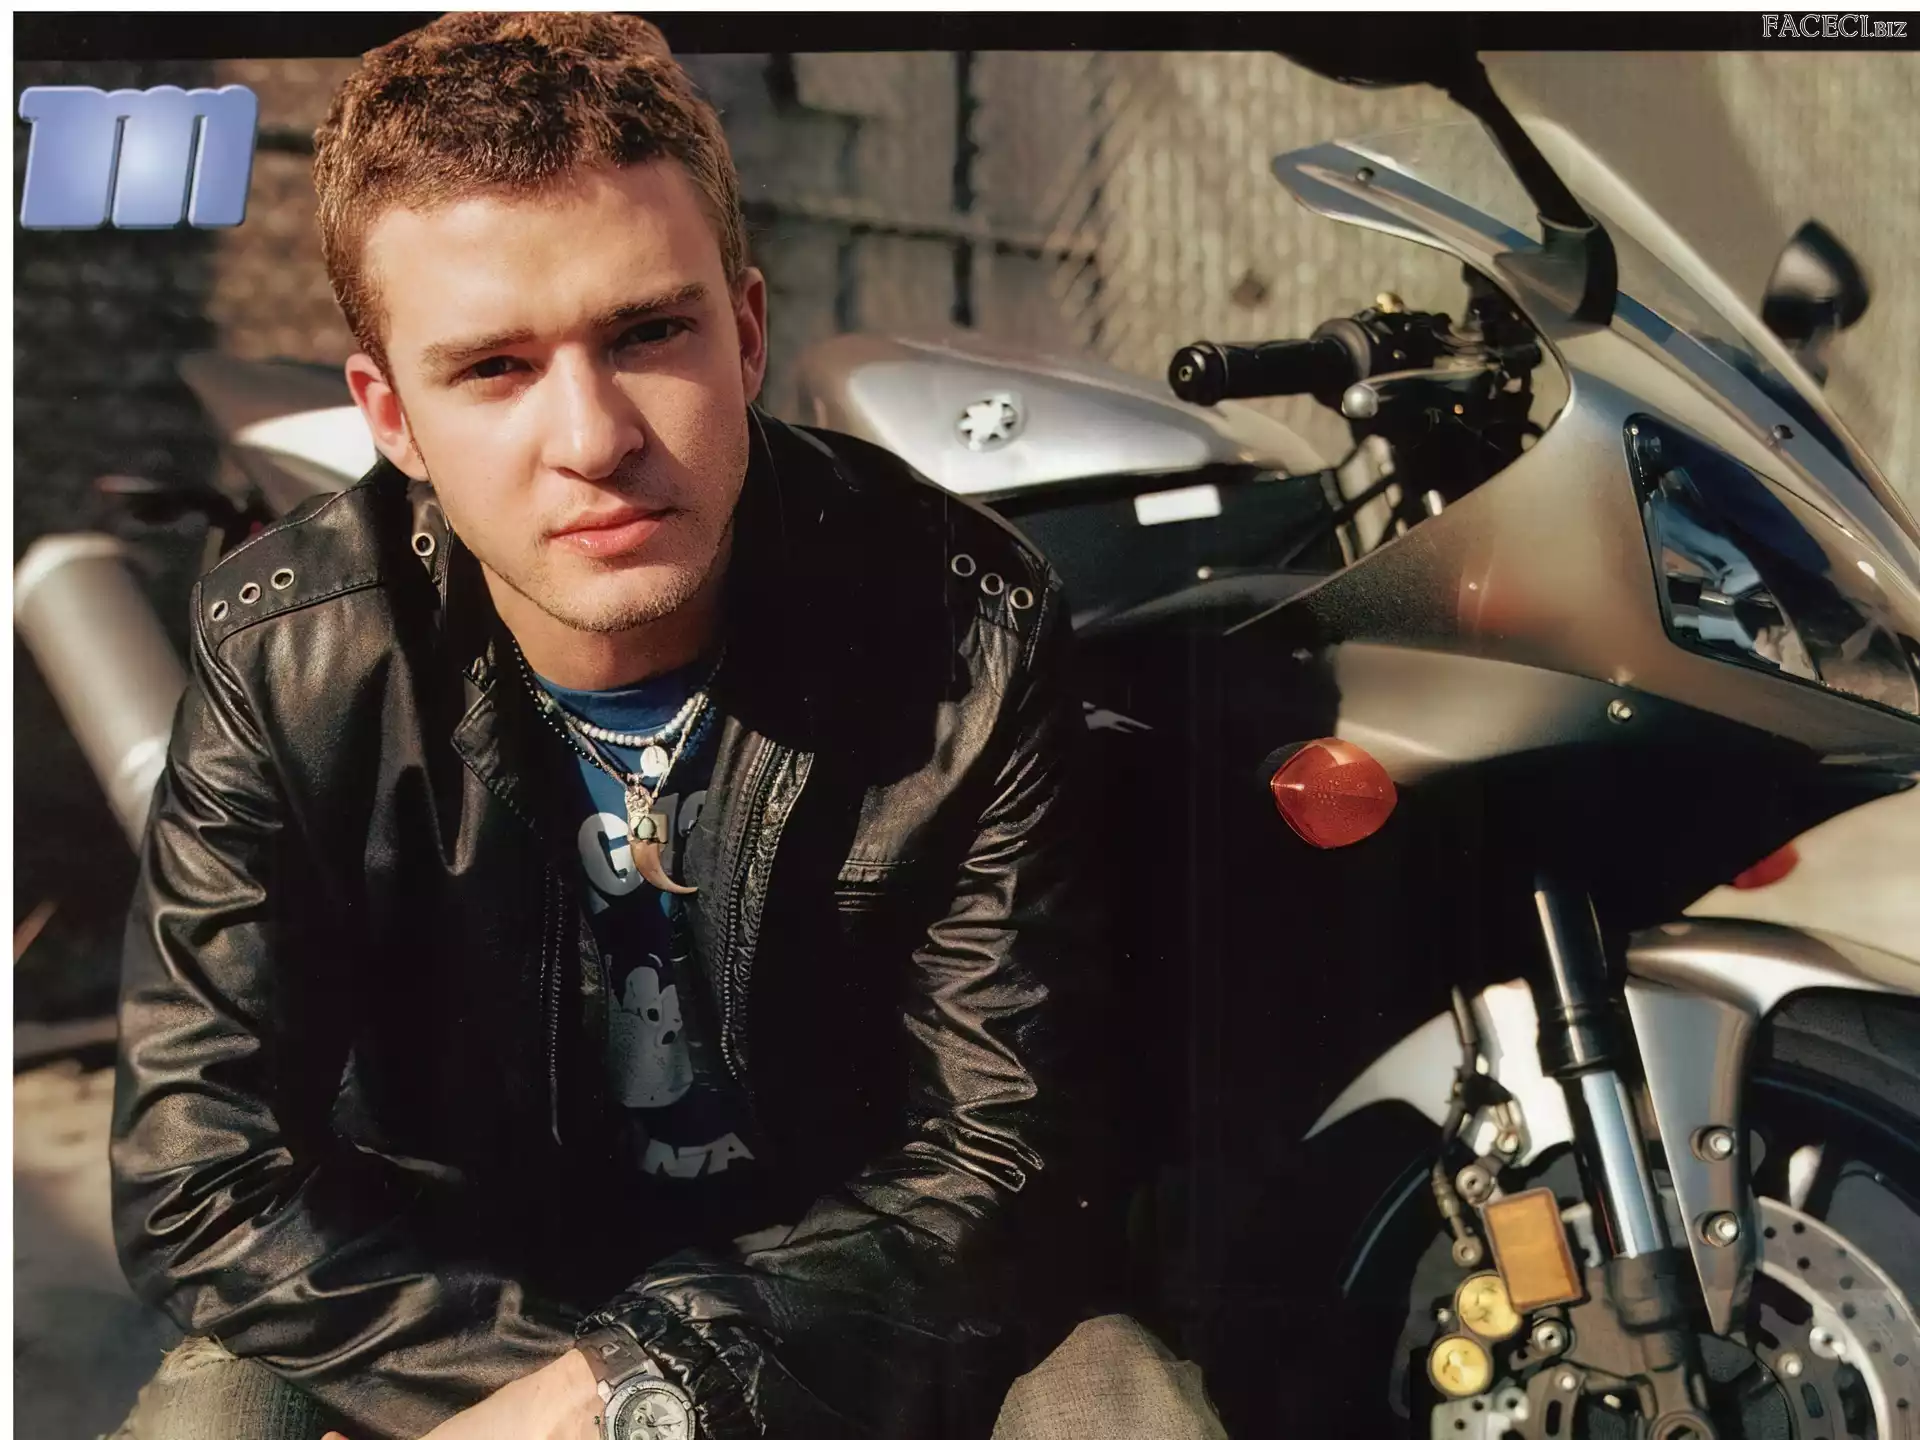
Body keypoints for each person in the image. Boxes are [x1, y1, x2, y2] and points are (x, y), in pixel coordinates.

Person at [106, 13, 1228, 1440]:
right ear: (391, 416)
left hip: (861, 1314)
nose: (593, 438)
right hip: (441, 1318)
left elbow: (1010, 1154)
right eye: (493, 369)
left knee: (1122, 1406)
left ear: (745, 333)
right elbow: (201, 1178)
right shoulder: (289, 654)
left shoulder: (963, 628)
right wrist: (576, 1400)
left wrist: (646, 1387)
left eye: (648, 333)